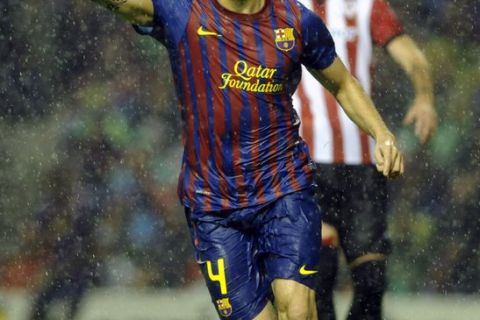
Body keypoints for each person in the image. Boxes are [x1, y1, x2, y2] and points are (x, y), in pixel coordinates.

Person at [87, 0, 404, 319]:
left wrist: (382, 133)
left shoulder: (296, 21)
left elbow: (343, 83)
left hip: (285, 194)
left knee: (298, 311)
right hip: (214, 209)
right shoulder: (184, 11)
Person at [292, 0, 437, 319]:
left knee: (372, 284)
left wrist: (424, 97)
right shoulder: (284, 6)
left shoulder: (365, 6)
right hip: (307, 166)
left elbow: (412, 56)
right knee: (319, 282)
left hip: (362, 169)